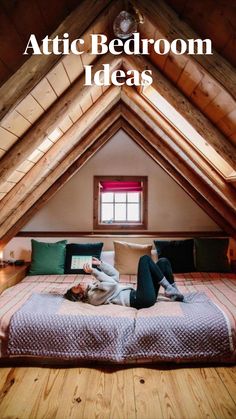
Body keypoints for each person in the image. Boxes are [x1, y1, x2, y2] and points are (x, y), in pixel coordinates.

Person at [64, 255, 184, 309]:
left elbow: (115, 275)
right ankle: (168, 288)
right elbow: (112, 284)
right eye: (77, 287)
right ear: (80, 295)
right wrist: (93, 272)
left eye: (77, 284)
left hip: (141, 295)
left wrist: (100, 264)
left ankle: (173, 291)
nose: (79, 284)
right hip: (141, 300)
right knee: (145, 259)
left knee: (163, 262)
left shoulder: (93, 287)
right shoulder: (93, 297)